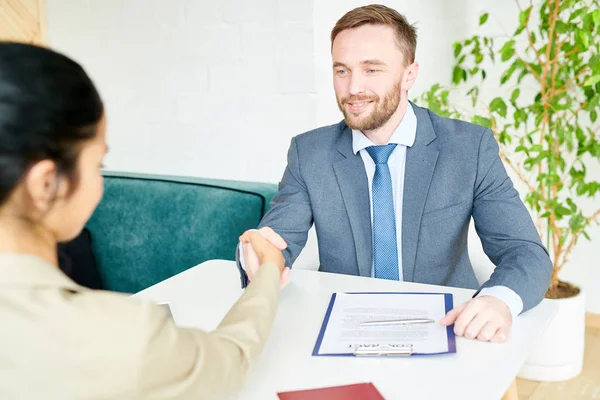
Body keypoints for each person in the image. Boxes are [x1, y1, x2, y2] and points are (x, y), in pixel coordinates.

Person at [238, 4, 552, 343]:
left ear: (409, 75)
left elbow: (525, 253)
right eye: (341, 71)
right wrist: (257, 255)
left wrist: (499, 300)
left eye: (372, 70)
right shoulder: (309, 153)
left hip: (447, 326)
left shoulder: (469, 148)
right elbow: (275, 241)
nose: (353, 88)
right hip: (344, 329)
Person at [0, 42, 287, 399]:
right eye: (97, 165)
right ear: (46, 185)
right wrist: (268, 274)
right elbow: (229, 361)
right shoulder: (116, 336)